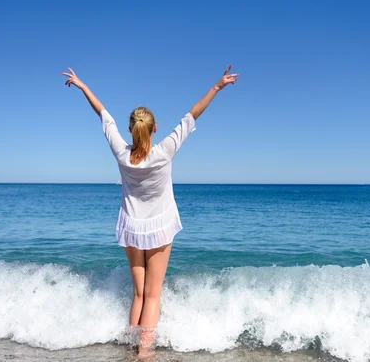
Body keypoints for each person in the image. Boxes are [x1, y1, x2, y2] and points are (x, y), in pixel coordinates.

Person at [62, 65, 239, 358]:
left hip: (131, 227)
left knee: (139, 294)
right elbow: (192, 115)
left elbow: (103, 114)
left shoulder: (121, 151)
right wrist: (217, 87)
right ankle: (145, 354)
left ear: (132, 129)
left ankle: (132, 348)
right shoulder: (164, 151)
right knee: (154, 295)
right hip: (158, 227)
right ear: (154, 128)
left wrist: (82, 86)